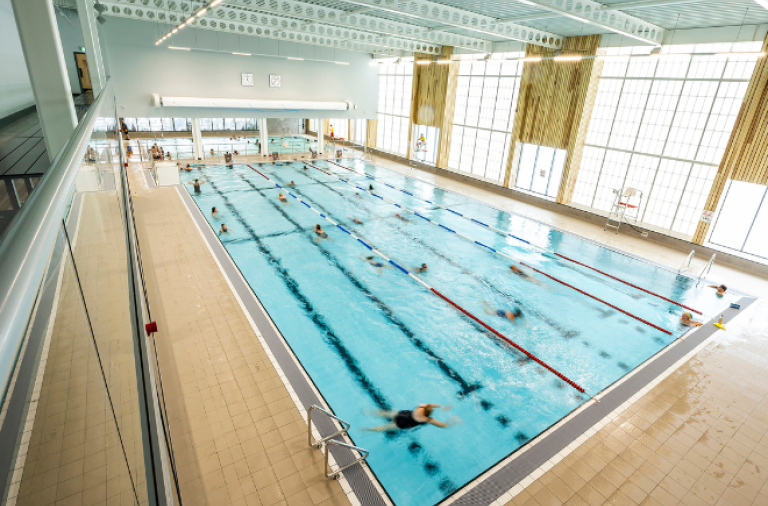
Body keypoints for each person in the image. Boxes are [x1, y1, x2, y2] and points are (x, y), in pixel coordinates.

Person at [363, 404, 456, 432]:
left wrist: (442, 407)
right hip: (403, 424)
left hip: (402, 414)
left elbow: (430, 404)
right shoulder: (427, 419)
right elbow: (443, 425)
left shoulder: (421, 407)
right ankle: (367, 429)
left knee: (384, 413)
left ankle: (367, 412)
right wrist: (451, 421)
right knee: (385, 427)